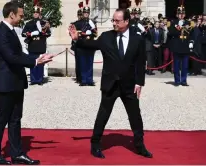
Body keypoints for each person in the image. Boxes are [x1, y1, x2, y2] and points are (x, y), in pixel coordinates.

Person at [69, 8, 152, 159]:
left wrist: (140, 83)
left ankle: (140, 146)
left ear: (126, 21)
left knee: (135, 116)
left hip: (129, 85)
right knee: (103, 114)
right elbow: (91, 45)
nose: (114, 23)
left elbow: (141, 63)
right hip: (110, 83)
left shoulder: (137, 39)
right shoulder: (106, 37)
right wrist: (76, 39)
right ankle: (95, 144)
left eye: (117, 20)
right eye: (113, 20)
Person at [0, 1, 54, 165]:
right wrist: (35, 62)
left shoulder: (11, 31)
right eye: (21, 15)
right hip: (5, 83)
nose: (22, 18)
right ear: (11, 14)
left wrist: (37, 58)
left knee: (16, 119)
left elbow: (20, 54)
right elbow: (11, 57)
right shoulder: (1, 32)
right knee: (2, 118)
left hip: (16, 81)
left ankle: (17, 153)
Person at [22, 1, 51, 85]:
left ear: (39, 14)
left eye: (37, 13)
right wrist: (30, 34)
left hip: (40, 45)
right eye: (34, 13)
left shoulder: (44, 23)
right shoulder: (29, 23)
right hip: (32, 45)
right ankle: (34, 79)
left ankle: (39, 79)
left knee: (40, 63)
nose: (35, 14)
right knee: (33, 62)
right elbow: (23, 33)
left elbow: (49, 33)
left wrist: (43, 32)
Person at [168, 5, 193, 86]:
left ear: (184, 15)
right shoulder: (173, 22)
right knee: (176, 65)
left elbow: (191, 34)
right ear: (177, 15)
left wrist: (191, 42)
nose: (181, 15)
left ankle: (184, 80)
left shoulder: (188, 23)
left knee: (185, 66)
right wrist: (178, 26)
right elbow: (171, 33)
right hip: (177, 47)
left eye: (182, 13)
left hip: (185, 46)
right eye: (179, 13)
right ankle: (177, 81)